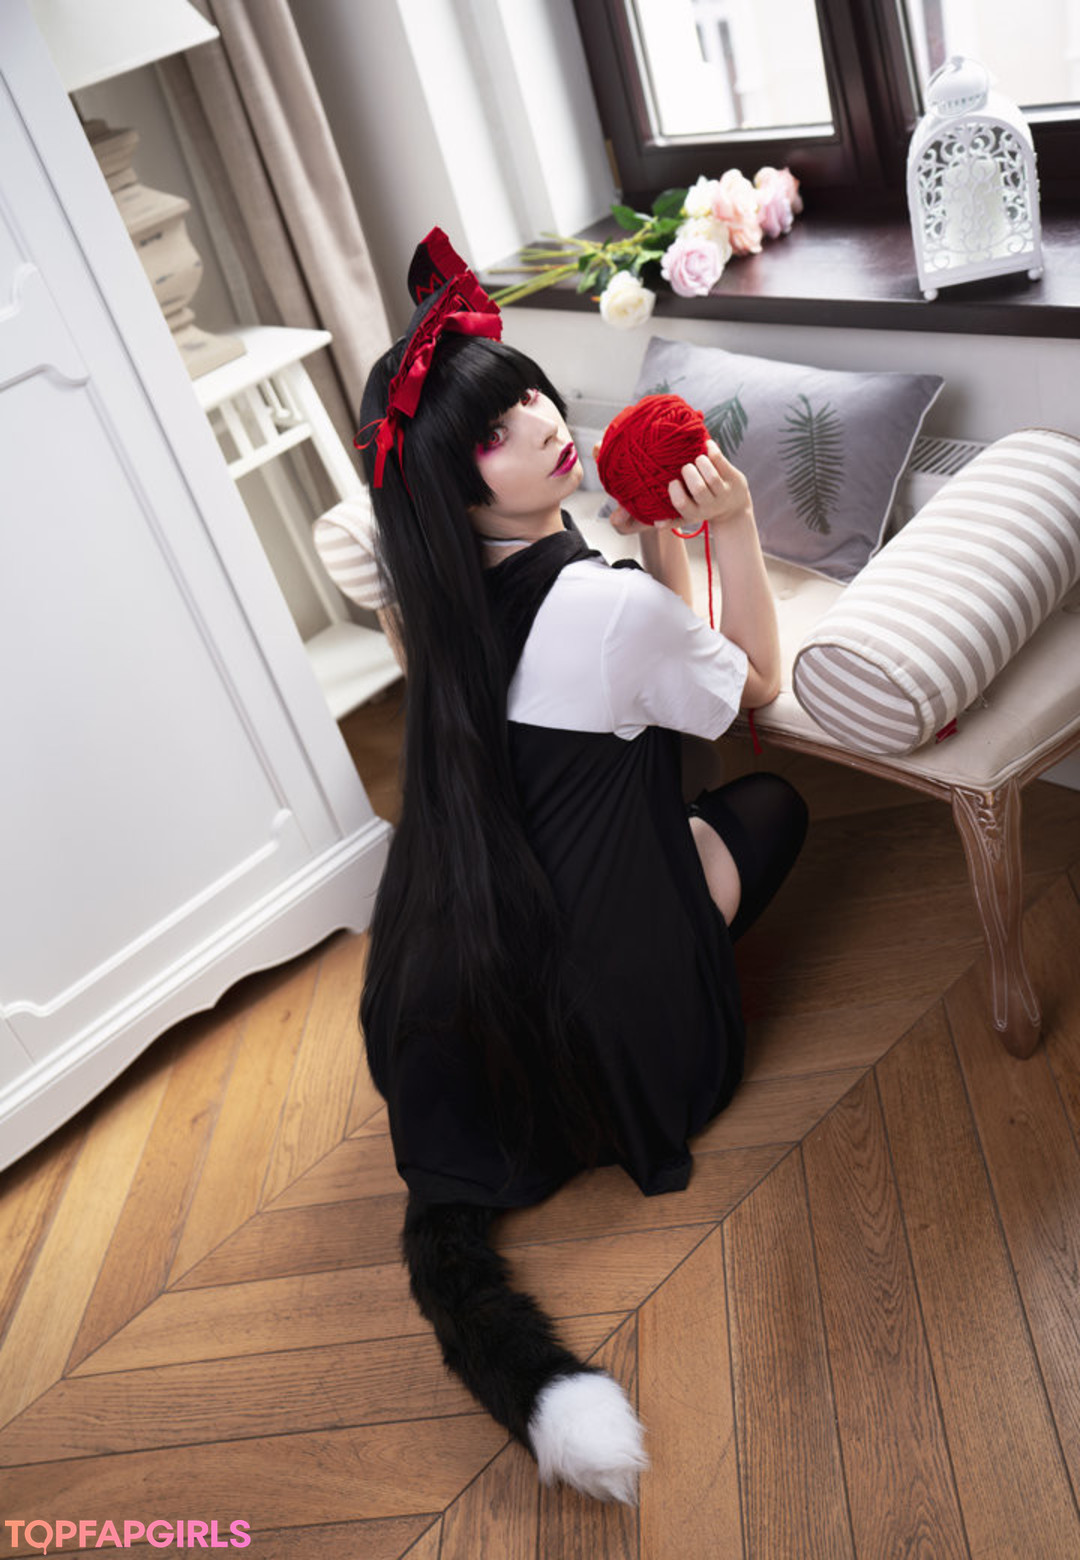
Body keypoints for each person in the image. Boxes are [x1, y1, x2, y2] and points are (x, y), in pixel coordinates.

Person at [352, 228, 807, 1503]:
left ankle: (547, 1394)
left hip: (497, 990)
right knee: (771, 805)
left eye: (531, 398)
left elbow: (638, 664)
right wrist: (733, 523)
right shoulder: (600, 610)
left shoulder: (440, 609)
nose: (545, 426)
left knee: (649, 788)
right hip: (617, 1024)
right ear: (454, 487)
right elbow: (751, 685)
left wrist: (647, 543)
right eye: (497, 435)